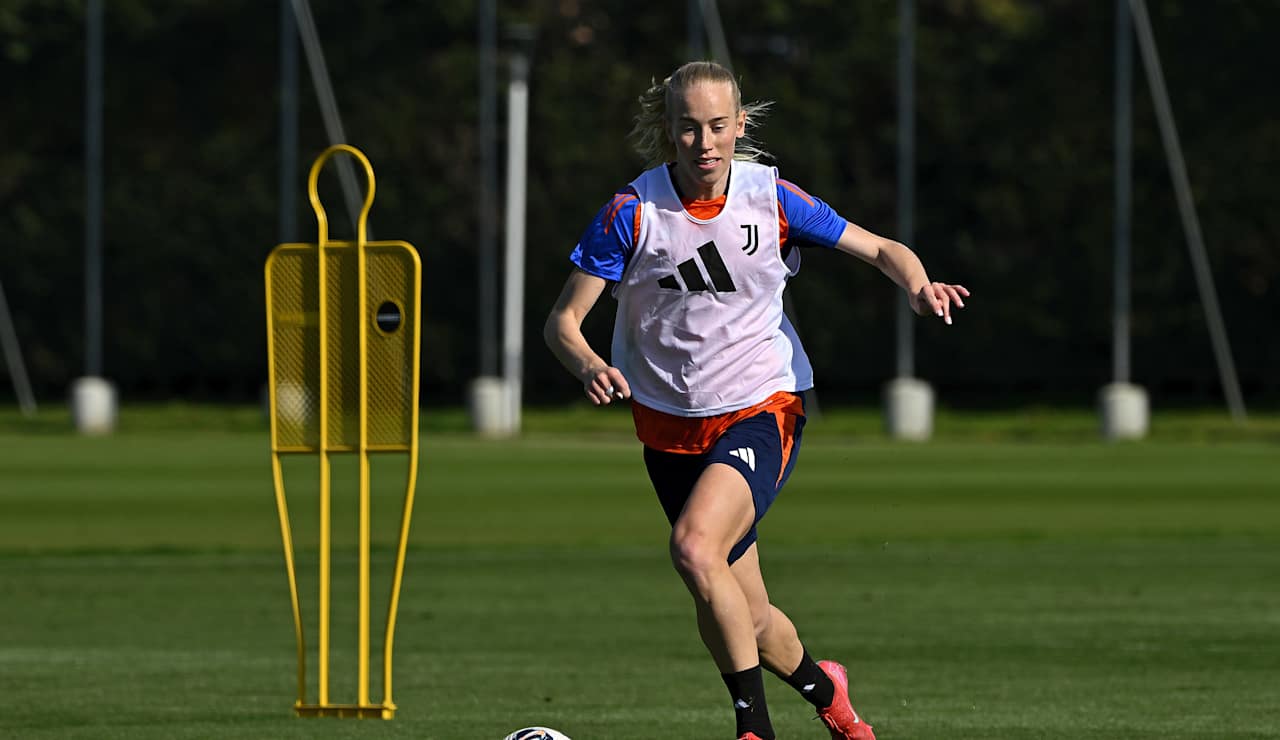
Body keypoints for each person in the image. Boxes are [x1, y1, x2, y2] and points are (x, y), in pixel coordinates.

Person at [544, 61, 968, 740]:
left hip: (760, 406)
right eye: (688, 127)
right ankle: (830, 693)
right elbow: (562, 323)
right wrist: (589, 363)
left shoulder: (770, 199)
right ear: (667, 131)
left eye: (718, 126)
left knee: (694, 548)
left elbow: (884, 248)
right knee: (747, 611)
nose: (705, 142)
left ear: (740, 127)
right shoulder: (632, 212)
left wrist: (919, 286)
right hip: (667, 429)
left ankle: (753, 730)